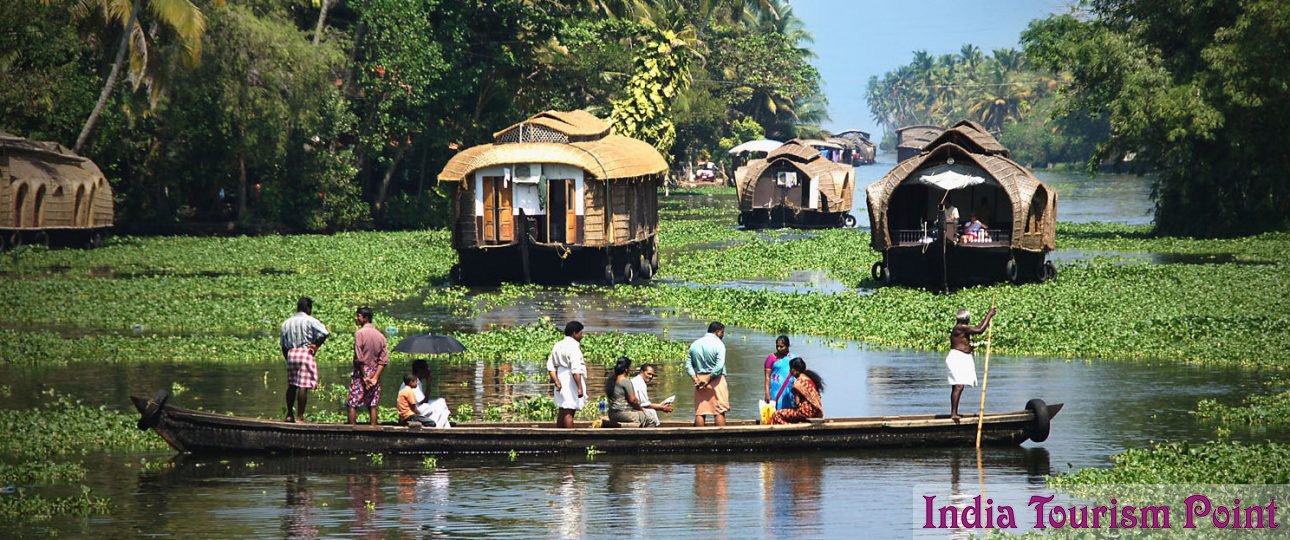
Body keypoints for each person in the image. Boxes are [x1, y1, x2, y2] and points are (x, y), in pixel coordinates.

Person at [280, 297, 329, 423]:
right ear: (308, 308)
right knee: (303, 386)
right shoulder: (310, 320)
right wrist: (316, 345)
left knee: (292, 385)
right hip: (304, 352)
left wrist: (288, 358)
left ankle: (290, 414)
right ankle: (300, 416)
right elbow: (324, 333)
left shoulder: (287, 322)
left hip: (291, 353)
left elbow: (283, 344)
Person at [947, 306, 997, 420]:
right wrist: (989, 315)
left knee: (958, 386)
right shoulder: (960, 327)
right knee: (958, 386)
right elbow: (980, 331)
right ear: (965, 319)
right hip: (957, 358)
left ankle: (954, 412)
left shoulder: (963, 327)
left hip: (962, 358)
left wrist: (987, 318)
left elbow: (978, 327)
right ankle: (953, 413)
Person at [348, 306, 388, 426]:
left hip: (361, 373)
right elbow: (383, 360)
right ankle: (373, 429)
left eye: (358, 316)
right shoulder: (380, 336)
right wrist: (375, 377)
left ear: (365, 318)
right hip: (374, 372)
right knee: (372, 403)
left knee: (352, 402)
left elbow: (359, 358)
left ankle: (351, 431)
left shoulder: (359, 334)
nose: (356, 318)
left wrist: (364, 376)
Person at [687, 321, 729, 427]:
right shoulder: (719, 344)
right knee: (719, 411)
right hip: (716, 380)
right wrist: (708, 379)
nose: (723, 335)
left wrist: (696, 379)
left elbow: (688, 366)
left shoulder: (695, 344)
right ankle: (721, 439)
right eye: (722, 332)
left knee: (700, 411)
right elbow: (719, 367)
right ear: (718, 332)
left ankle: (698, 439)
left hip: (699, 380)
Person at [547, 321, 587, 428]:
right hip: (570, 380)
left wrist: (556, 381)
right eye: (580, 333)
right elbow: (575, 369)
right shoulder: (573, 347)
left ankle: (559, 435)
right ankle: (570, 438)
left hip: (560, 376)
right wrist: (579, 387)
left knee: (562, 409)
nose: (582, 336)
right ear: (574, 333)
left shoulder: (558, 345)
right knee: (569, 411)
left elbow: (550, 366)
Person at [605, 357, 658, 427]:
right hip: (622, 414)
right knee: (651, 419)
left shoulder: (611, 380)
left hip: (612, 414)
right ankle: (646, 437)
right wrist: (642, 410)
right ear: (626, 369)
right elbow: (633, 401)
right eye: (629, 368)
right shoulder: (625, 381)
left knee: (642, 415)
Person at [770, 358, 825, 424]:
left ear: (794, 370)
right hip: (816, 412)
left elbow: (797, 403)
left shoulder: (798, 382)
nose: (790, 371)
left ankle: (789, 429)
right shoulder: (810, 379)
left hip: (805, 412)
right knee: (791, 413)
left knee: (776, 414)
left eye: (790, 369)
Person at [398, 359, 450, 428]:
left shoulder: (410, 381)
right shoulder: (414, 383)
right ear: (421, 371)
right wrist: (429, 383)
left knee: (441, 401)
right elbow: (424, 401)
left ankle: (443, 425)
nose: (428, 371)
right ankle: (439, 427)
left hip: (415, 407)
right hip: (414, 410)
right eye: (427, 369)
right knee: (440, 404)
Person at [763, 335, 798, 411]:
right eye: (777, 346)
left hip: (790, 391)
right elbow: (767, 377)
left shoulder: (794, 358)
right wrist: (767, 393)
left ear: (788, 346)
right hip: (775, 391)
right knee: (774, 411)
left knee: (790, 411)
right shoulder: (771, 358)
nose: (779, 348)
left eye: (781, 346)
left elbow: (800, 374)